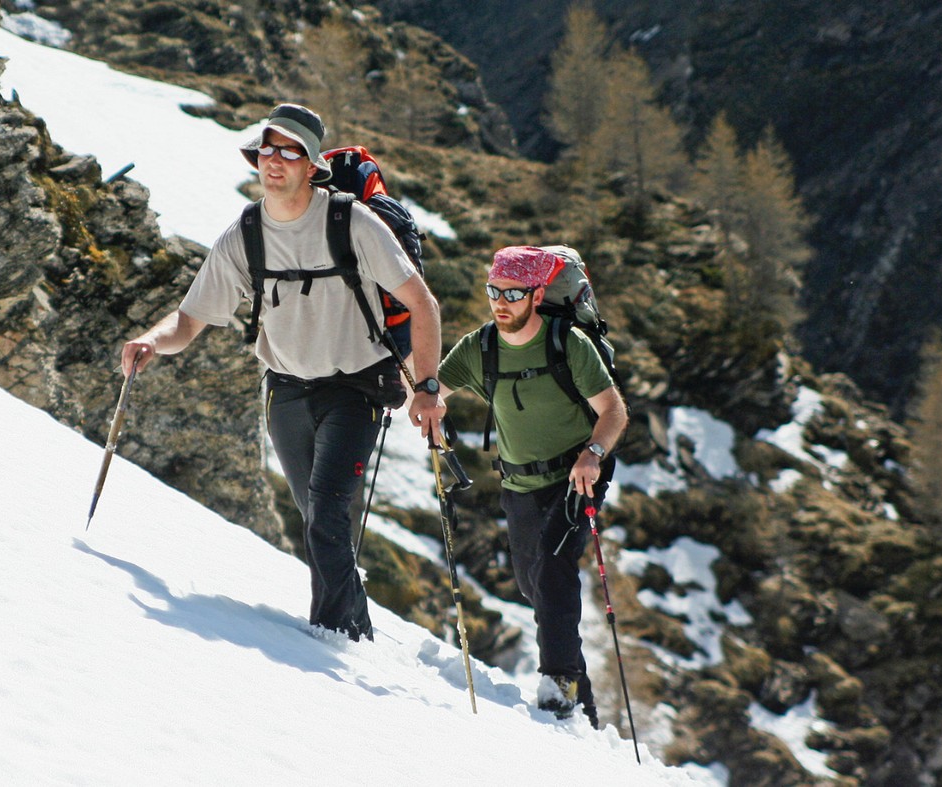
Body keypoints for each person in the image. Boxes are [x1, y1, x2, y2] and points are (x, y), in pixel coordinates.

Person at [120, 103, 446, 641]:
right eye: (266, 149)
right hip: (286, 392)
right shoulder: (245, 233)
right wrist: (151, 342)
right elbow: (190, 319)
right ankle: (358, 630)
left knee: (326, 515)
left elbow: (422, 304)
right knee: (317, 519)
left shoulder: (353, 222)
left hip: (357, 386)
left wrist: (428, 387)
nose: (274, 160)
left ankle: (333, 644)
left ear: (311, 164)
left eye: (289, 150)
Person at [436, 246, 628, 725]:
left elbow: (614, 412)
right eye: (494, 292)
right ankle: (584, 713)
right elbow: (433, 386)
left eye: (513, 293)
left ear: (537, 294)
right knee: (533, 585)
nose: (500, 302)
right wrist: (426, 402)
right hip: (518, 482)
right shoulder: (480, 346)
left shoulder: (569, 344)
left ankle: (559, 689)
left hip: (576, 476)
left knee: (554, 564)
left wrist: (593, 455)